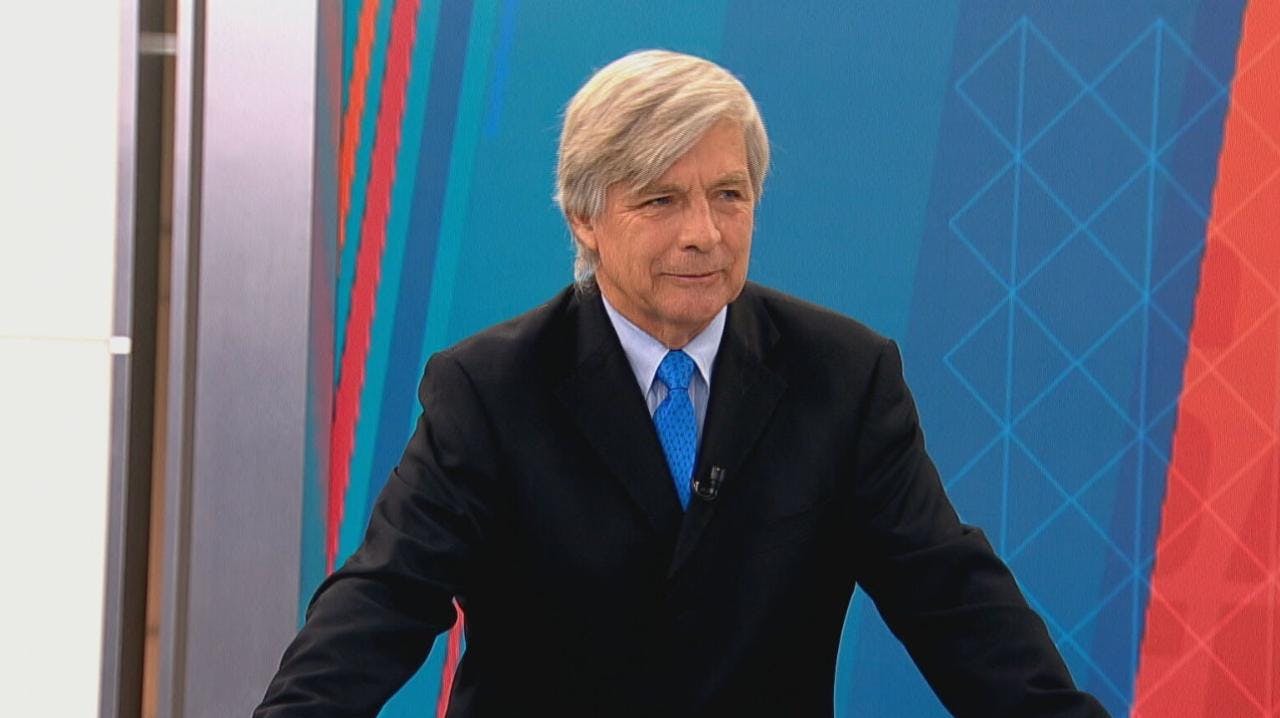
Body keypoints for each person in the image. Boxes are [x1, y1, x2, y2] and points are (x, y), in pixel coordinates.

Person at [256, 50, 1107, 717]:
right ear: (584, 218)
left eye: (729, 195)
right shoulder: (490, 390)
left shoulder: (843, 377)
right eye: (661, 200)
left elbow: (953, 601)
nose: (705, 233)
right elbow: (385, 598)